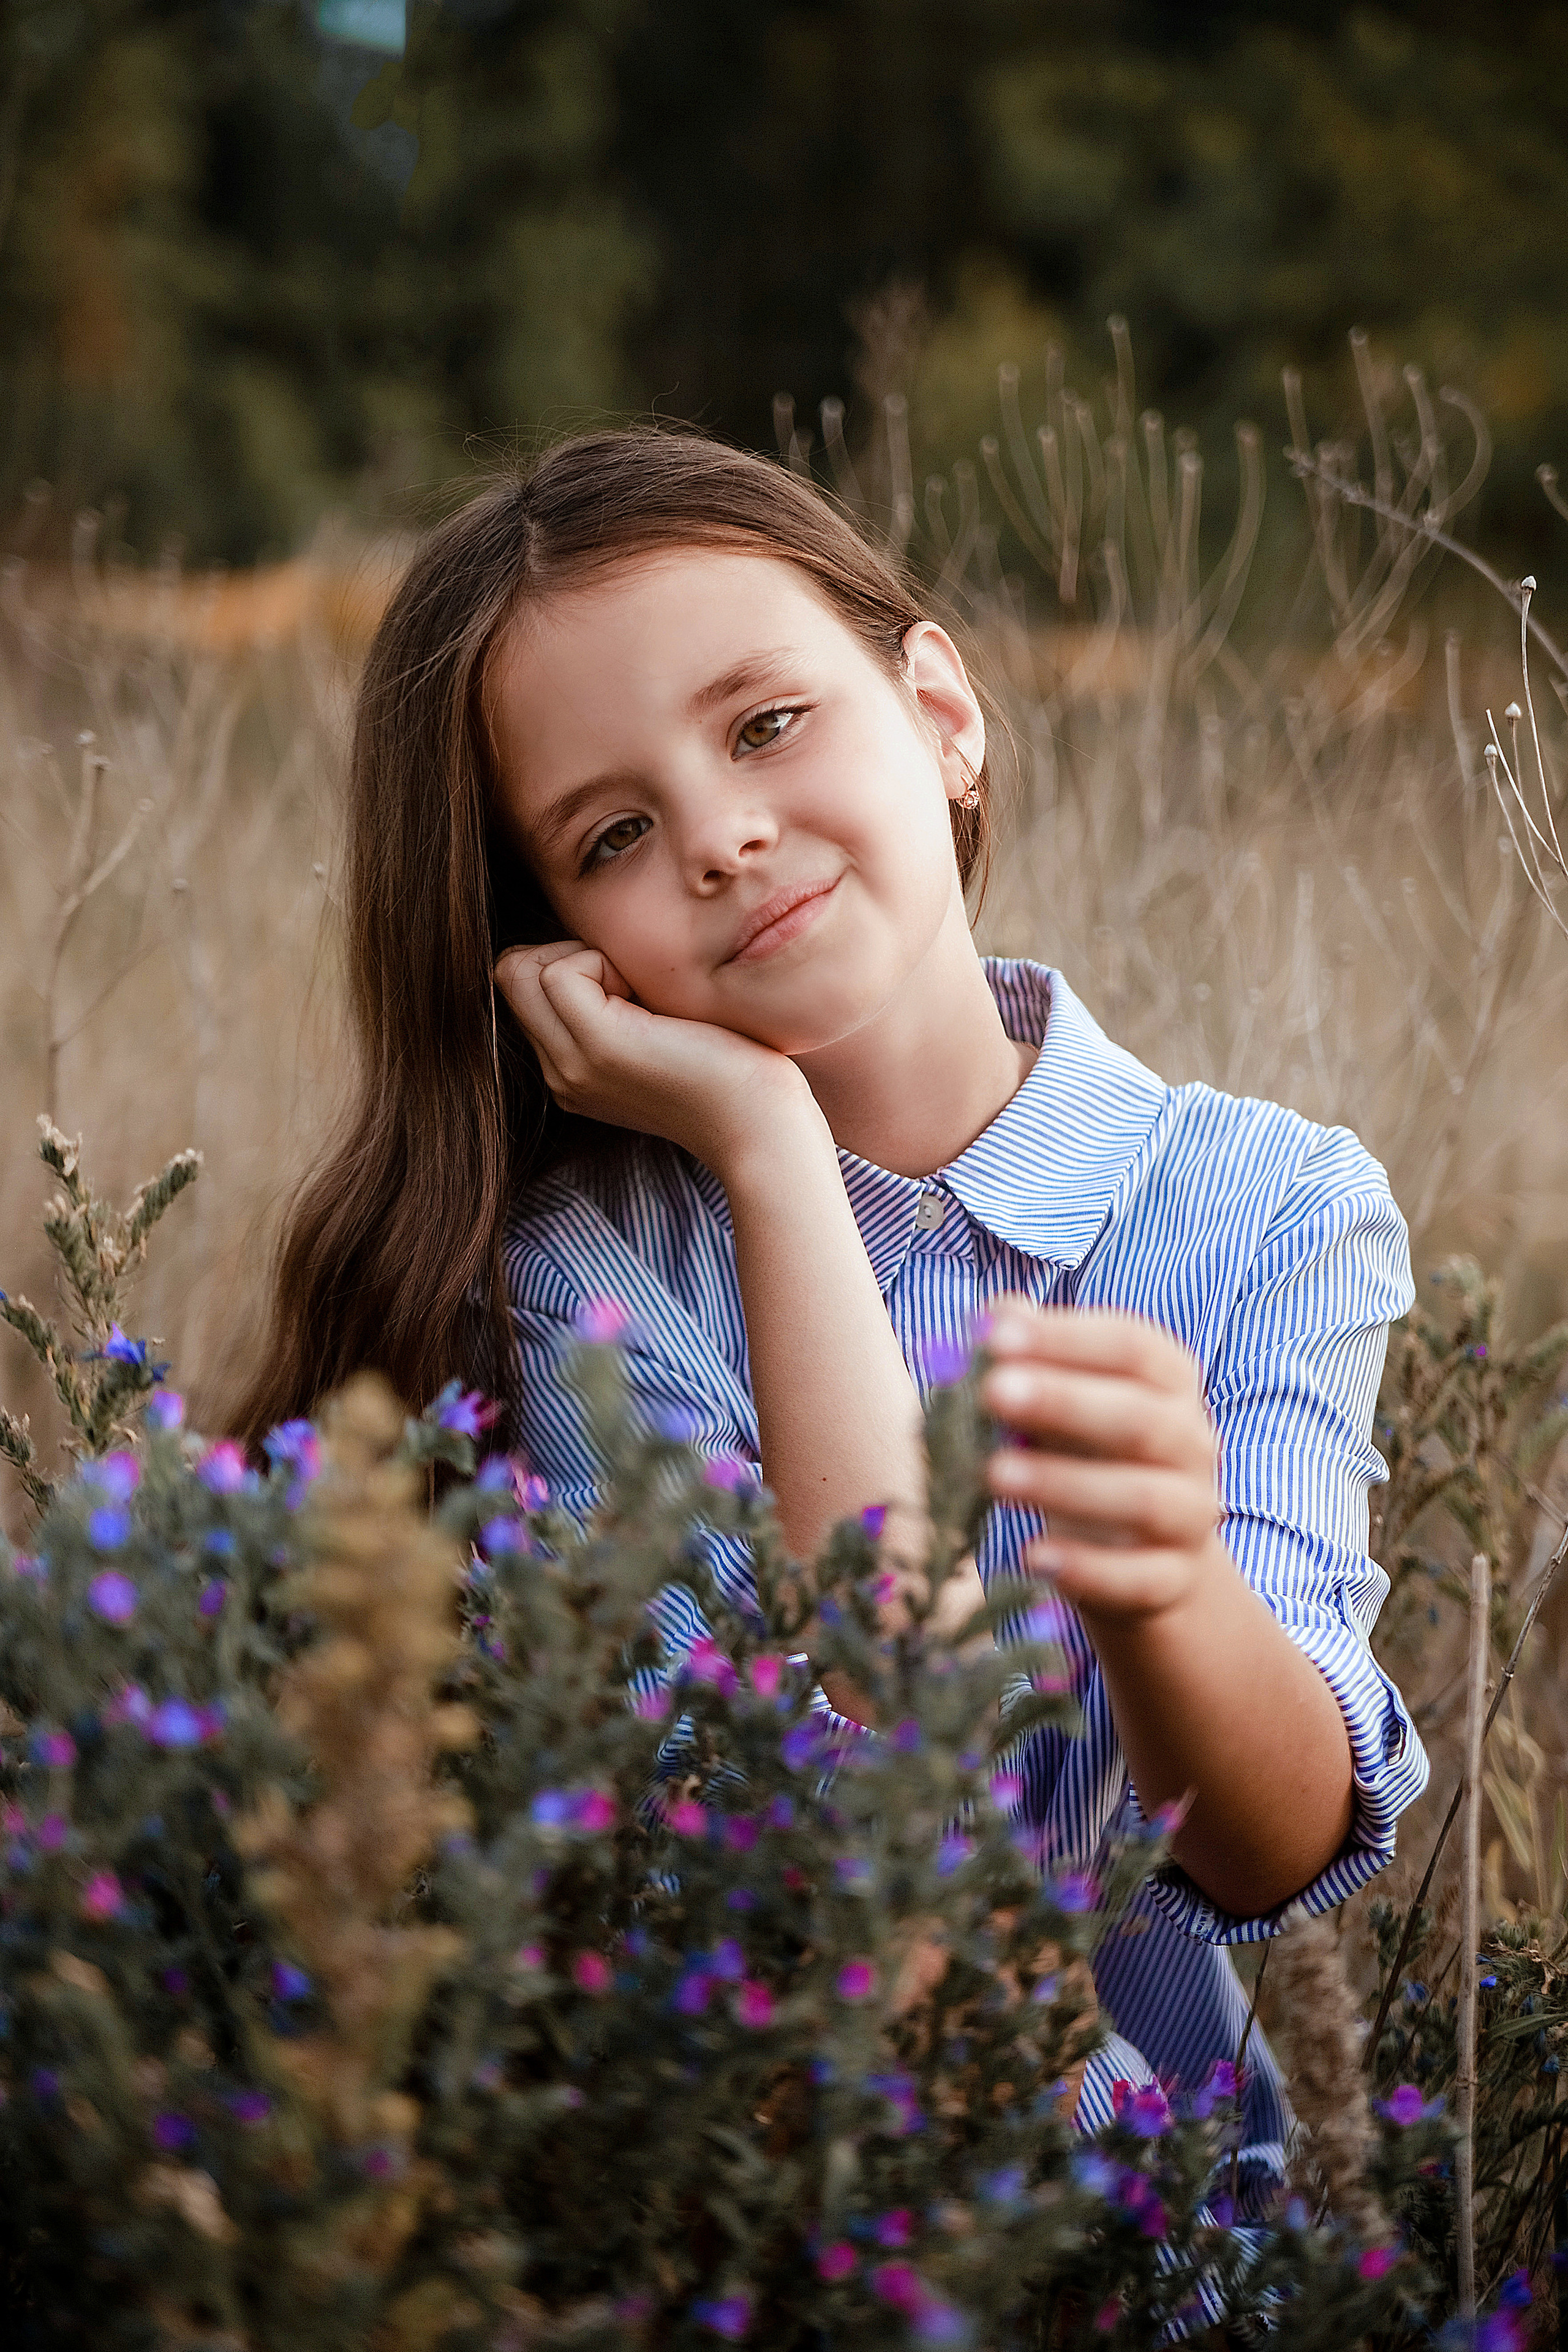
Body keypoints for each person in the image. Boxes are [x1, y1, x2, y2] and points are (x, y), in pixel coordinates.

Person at [244, 429, 1428, 2194]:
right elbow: (861, 1825)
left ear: (939, 711)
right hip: (755, 2231)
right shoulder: (581, 1282)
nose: (721, 835)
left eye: (766, 723)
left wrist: (1169, 1585)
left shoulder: (1270, 1208)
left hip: (1161, 2252)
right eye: (616, 832)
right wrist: (767, 1147)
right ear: (558, 942)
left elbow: (1273, 1851)